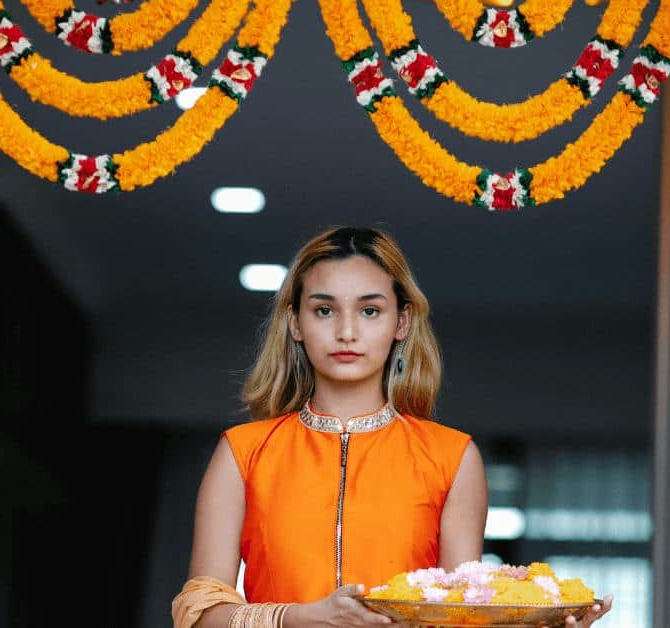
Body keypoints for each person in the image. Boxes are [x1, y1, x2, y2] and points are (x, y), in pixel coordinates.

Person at [171, 227, 612, 628]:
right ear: (294, 323)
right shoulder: (242, 452)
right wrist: (307, 618)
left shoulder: (451, 457)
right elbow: (199, 613)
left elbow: (461, 616)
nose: (346, 332)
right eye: (324, 310)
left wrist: (538, 625)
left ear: (401, 322)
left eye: (369, 311)